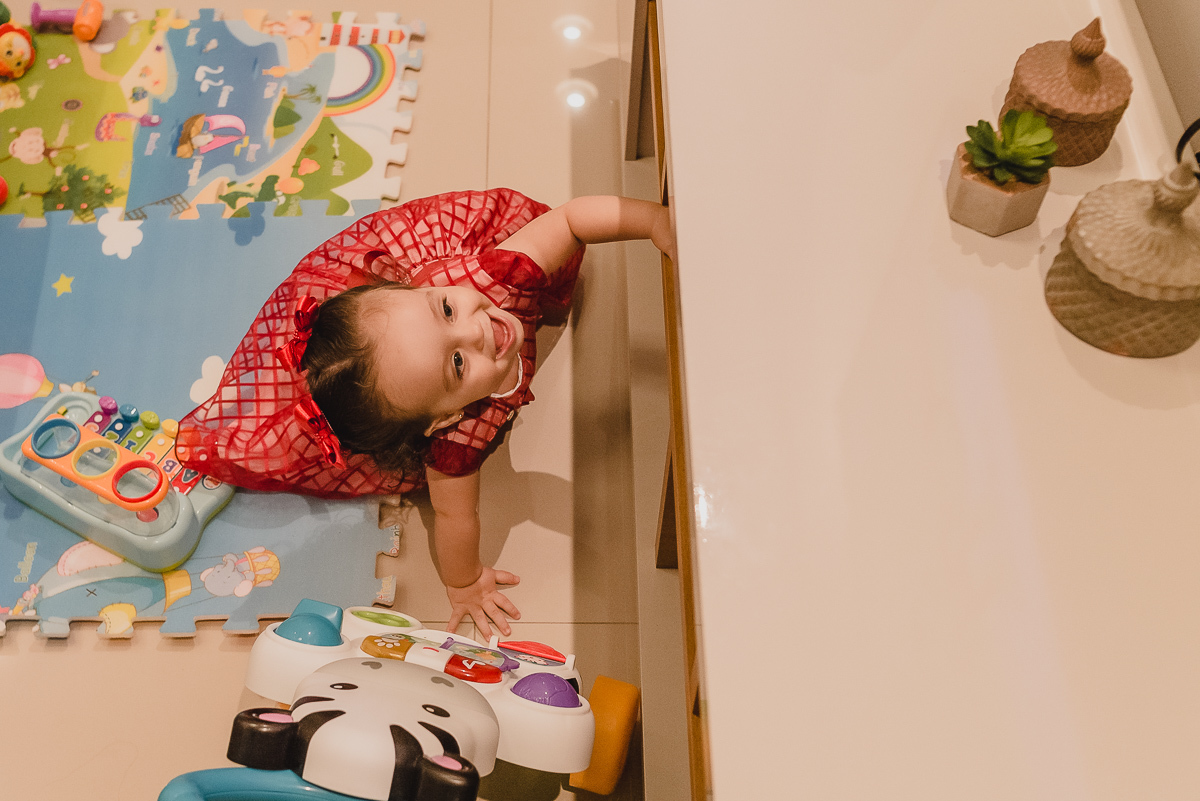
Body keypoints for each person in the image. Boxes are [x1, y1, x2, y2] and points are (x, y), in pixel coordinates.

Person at [177, 188, 675, 637]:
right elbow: (457, 516)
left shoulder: (495, 275)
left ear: (417, 285)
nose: (478, 331)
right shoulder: (453, 444)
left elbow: (573, 219)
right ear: (438, 421)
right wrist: (464, 585)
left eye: (446, 311)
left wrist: (653, 220)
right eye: (458, 364)